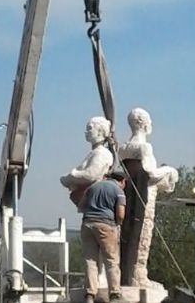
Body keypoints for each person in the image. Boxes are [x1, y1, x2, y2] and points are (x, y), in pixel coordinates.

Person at [80, 171, 126, 303]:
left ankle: (90, 294)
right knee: (111, 260)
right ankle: (114, 295)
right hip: (106, 225)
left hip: (87, 224)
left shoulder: (93, 187)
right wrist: (118, 224)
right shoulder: (118, 191)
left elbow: (81, 206)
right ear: (122, 181)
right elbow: (121, 214)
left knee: (90, 260)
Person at [60, 116, 114, 207]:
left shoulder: (102, 153)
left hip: (95, 200)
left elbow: (90, 175)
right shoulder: (94, 153)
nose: (86, 132)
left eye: (90, 129)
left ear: (100, 131)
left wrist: (72, 175)